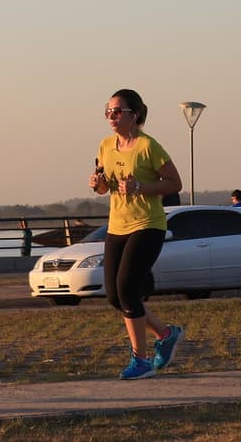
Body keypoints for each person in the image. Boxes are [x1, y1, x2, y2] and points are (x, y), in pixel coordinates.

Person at [89, 88, 184, 380]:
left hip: (148, 224)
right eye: (108, 111)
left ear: (135, 115)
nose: (111, 116)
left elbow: (174, 183)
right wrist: (98, 184)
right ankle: (166, 334)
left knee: (128, 287)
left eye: (118, 111)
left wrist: (141, 187)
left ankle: (140, 361)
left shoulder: (148, 146)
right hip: (117, 225)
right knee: (116, 297)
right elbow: (106, 186)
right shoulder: (106, 146)